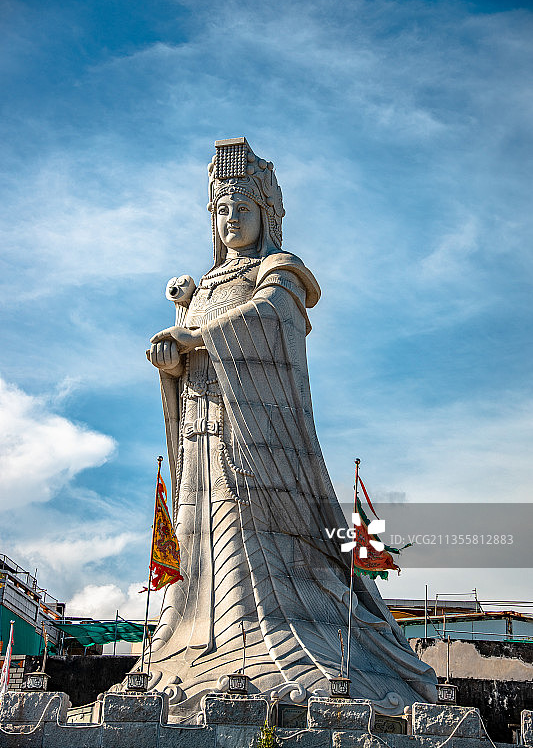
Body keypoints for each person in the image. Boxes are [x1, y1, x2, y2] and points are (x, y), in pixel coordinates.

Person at [144, 138, 437, 717]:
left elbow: (271, 320)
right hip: (203, 430)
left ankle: (253, 647)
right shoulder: (204, 287)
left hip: (256, 441)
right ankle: (192, 644)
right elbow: (187, 348)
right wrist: (171, 358)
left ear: (267, 216)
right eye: (221, 211)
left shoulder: (279, 273)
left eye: (242, 209)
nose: (230, 221)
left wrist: (198, 338)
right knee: (198, 535)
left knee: (248, 537)